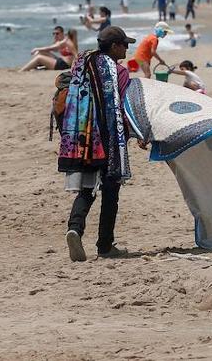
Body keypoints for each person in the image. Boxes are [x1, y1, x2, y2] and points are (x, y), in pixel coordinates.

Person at [59, 25, 147, 262]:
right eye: (124, 45)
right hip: (108, 139)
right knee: (111, 192)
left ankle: (74, 229)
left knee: (87, 189)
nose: (127, 49)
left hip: (84, 137)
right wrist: (139, 132)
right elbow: (123, 107)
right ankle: (105, 246)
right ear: (115, 46)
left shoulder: (84, 63)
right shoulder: (118, 72)